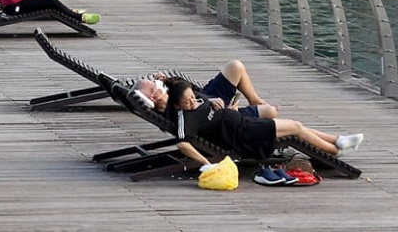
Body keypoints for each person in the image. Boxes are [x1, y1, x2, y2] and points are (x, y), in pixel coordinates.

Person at [165, 77, 364, 166]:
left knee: (296, 125)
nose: (192, 102)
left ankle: (337, 140)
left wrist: (219, 105)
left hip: (242, 123)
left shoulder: (196, 100)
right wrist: (206, 163)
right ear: (176, 106)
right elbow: (183, 142)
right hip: (243, 135)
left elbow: (203, 105)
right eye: (187, 102)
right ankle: (335, 150)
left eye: (192, 97)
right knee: (295, 128)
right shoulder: (185, 117)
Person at [133, 60, 278, 120]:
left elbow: (189, 90)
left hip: (207, 96)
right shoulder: (174, 108)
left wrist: (168, 81)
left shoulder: (165, 96)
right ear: (153, 99)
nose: (156, 84)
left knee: (235, 66)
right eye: (154, 86)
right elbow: (196, 112)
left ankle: (255, 101)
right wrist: (226, 111)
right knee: (271, 112)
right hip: (215, 111)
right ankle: (257, 107)